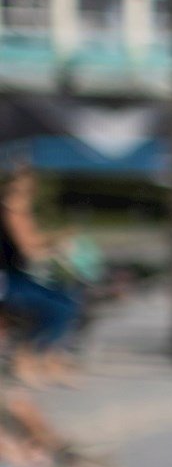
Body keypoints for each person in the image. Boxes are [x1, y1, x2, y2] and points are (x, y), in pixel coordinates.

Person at [1, 161, 84, 389]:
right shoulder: (10, 212)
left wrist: (59, 238)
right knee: (61, 307)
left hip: (19, 277)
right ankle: (27, 356)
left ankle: (51, 357)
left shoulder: (20, 212)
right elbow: (29, 250)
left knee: (70, 296)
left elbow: (33, 242)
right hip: (7, 281)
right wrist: (57, 246)